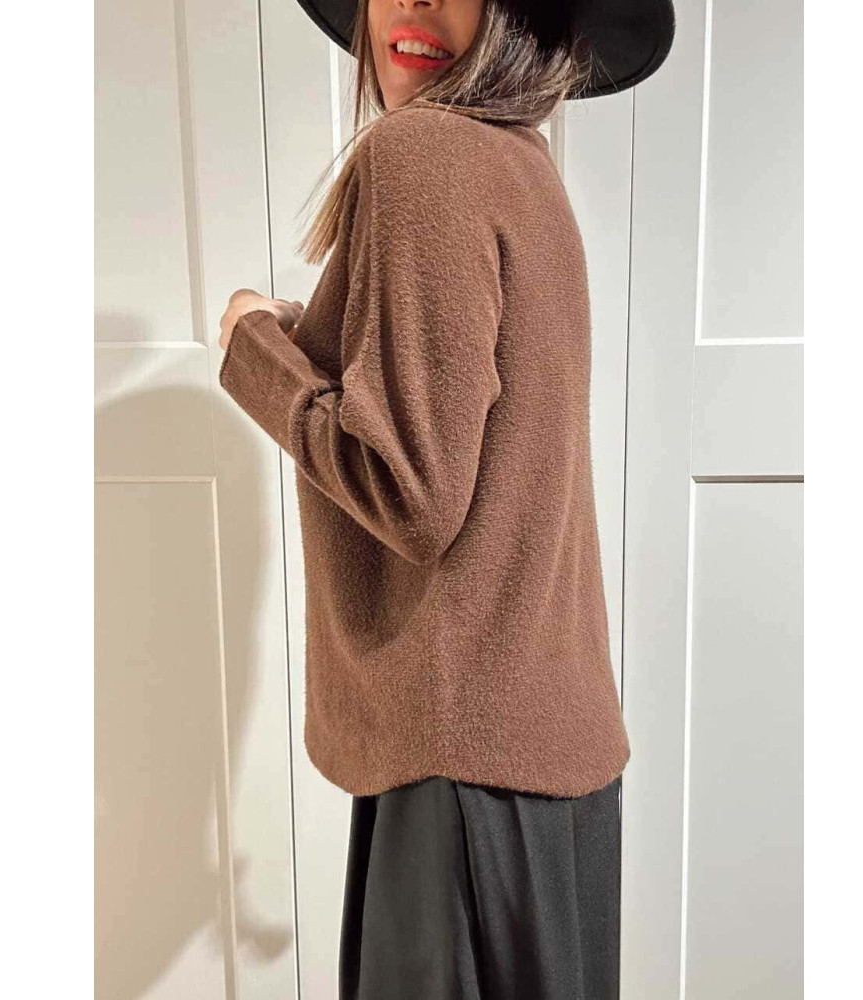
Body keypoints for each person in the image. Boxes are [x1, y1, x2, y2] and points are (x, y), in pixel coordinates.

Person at [217, 1, 675, 996]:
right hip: (554, 766)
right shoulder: (521, 166)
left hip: (463, 766)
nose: (413, 0)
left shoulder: (421, 154)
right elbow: (452, 404)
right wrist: (304, 336)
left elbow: (410, 484)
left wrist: (252, 349)